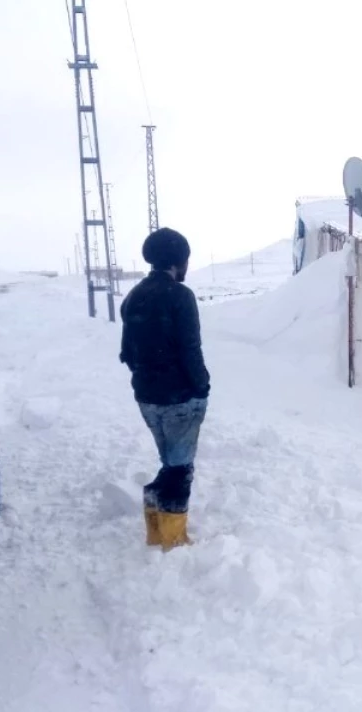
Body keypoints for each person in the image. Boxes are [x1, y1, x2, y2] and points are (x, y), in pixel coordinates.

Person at [119, 228, 211, 550]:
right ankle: (173, 541)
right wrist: (202, 386)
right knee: (181, 469)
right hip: (180, 398)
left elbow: (127, 353)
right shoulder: (180, 296)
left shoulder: (133, 297)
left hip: (146, 397)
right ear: (178, 261)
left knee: (171, 463)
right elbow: (190, 349)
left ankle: (155, 525)